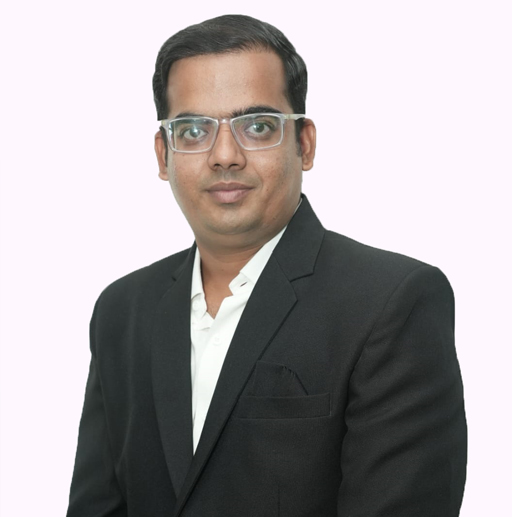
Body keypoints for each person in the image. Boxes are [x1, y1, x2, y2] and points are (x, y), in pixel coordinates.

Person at [66, 14, 467, 517]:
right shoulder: (122, 311)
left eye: (257, 126)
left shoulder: (391, 303)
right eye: (193, 130)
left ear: (305, 143)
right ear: (163, 154)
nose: (224, 156)